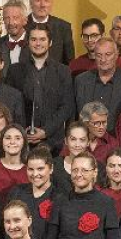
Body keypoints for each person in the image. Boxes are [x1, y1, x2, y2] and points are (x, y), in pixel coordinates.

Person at [11, 24, 73, 153]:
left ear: (50, 42)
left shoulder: (63, 71)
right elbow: (10, 105)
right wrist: (22, 131)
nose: (38, 43)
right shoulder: (14, 71)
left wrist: (45, 131)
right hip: (21, 141)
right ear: (28, 42)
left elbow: (67, 107)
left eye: (42, 39)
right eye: (33, 39)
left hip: (53, 142)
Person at [74, 37, 121, 131]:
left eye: (108, 54)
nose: (103, 59)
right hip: (86, 140)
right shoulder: (81, 81)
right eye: (99, 55)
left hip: (117, 140)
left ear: (116, 54)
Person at [8, 145, 56, 239]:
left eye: (40, 169)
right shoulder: (17, 192)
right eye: (30, 169)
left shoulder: (58, 197)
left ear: (51, 169)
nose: (34, 174)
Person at [24, 0, 74, 65]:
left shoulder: (63, 27)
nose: (42, 5)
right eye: (38, 0)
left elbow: (69, 62)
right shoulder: (22, 25)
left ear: (51, 4)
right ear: (31, 2)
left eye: (46, 1)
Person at [0, 124, 29, 201]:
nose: (12, 142)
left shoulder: (30, 170)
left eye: (17, 138)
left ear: (24, 142)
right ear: (2, 141)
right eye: (8, 138)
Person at [51, 121, 90, 195]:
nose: (77, 144)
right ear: (66, 141)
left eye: (82, 140)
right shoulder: (54, 164)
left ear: (88, 142)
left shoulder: (97, 167)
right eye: (73, 139)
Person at [0, 0, 30, 69]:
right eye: (7, 18)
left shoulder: (36, 45)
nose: (11, 23)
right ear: (3, 21)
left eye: (15, 18)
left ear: (25, 20)